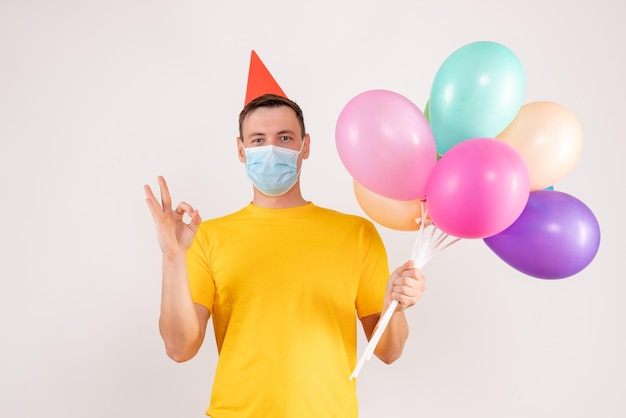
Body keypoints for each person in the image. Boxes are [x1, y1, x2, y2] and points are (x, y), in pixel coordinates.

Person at [144, 93, 426, 417]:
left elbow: (389, 352)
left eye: (285, 137)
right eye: (258, 139)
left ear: (305, 146)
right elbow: (180, 348)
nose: (271, 149)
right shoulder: (206, 236)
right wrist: (172, 257)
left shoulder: (357, 235)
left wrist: (397, 306)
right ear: (241, 149)